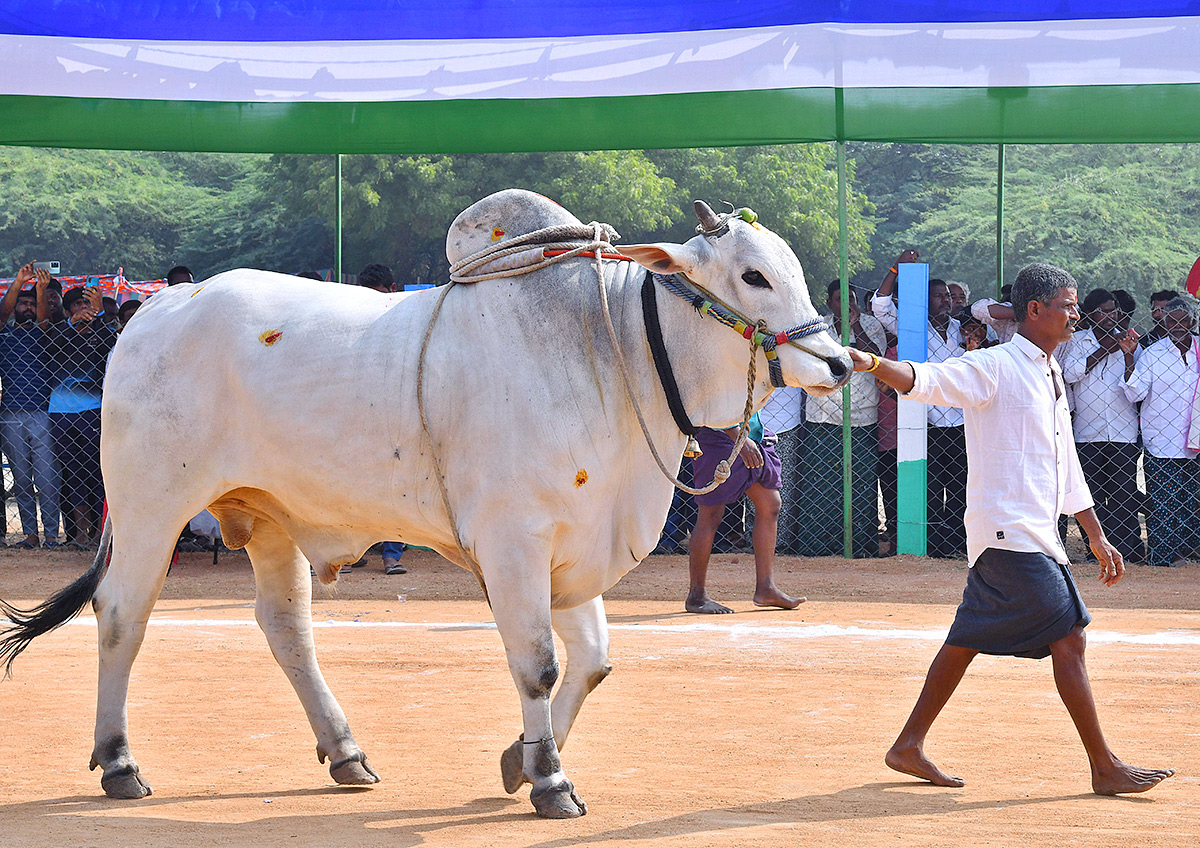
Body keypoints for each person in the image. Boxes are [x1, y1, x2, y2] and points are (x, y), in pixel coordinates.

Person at [851, 262, 1174, 795]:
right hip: (1007, 531)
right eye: (1068, 305)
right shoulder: (995, 365)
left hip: (1032, 535)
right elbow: (926, 379)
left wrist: (1095, 533)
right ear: (1035, 310)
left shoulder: (1049, 370)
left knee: (968, 638)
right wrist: (870, 363)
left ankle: (908, 745)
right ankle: (1104, 766)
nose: (1076, 314)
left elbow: (1066, 460)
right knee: (1068, 638)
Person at [873, 263, 967, 558]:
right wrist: (895, 268)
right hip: (927, 421)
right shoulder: (913, 327)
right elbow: (881, 306)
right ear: (924, 301)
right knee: (930, 485)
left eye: (949, 298)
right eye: (939, 297)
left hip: (960, 419)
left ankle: (955, 543)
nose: (946, 302)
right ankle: (932, 544)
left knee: (960, 486)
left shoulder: (961, 330)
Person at [685, 414, 803, 614]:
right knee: (711, 514)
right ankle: (696, 595)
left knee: (770, 503)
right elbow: (717, 400)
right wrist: (738, 436)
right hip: (721, 434)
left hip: (751, 434)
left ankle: (766, 588)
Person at [798, 281, 884, 557]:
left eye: (851, 300)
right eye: (839, 300)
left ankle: (859, 544)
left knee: (860, 484)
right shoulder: (819, 328)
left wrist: (855, 325)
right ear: (829, 303)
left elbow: (877, 359)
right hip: (824, 413)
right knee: (822, 483)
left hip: (862, 415)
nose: (846, 305)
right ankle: (818, 545)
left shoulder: (871, 325)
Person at [1061, 288, 1145, 562]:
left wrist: (1127, 353)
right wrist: (1106, 348)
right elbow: (1071, 373)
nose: (1110, 316)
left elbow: (1136, 389)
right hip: (1087, 431)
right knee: (1092, 493)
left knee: (1123, 494)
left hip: (1123, 430)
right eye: (1103, 311)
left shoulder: (1130, 342)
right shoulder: (1078, 341)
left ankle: (1125, 550)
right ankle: (1094, 550)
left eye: (1114, 311)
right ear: (1090, 314)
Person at [1123, 297, 1200, 567]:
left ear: (1193, 321)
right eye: (1171, 320)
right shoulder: (1153, 354)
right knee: (1164, 505)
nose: (1177, 325)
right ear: (1163, 323)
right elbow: (1136, 393)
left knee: (1191, 504)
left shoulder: (1199, 350)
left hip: (1196, 441)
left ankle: (1188, 553)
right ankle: (1162, 558)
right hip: (1162, 441)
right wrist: (1130, 357)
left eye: (1183, 319)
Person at [42, 281, 118, 549]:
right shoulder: (61, 334)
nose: (83, 309)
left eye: (88, 304)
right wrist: (72, 324)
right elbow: (46, 344)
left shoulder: (100, 334)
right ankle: (81, 534)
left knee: (98, 471)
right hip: (60, 411)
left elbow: (113, 344)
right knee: (72, 472)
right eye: (77, 305)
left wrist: (99, 317)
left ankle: (100, 534)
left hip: (94, 409)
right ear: (68, 310)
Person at [0, 264, 60, 548]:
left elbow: (46, 321)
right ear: (14, 308)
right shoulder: (4, 336)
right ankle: (30, 535)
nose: (26, 307)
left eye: (31, 303)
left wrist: (40, 290)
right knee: (22, 477)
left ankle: (50, 535)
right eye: (21, 303)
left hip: (41, 412)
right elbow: (1, 315)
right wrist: (18, 283)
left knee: (47, 477)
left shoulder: (43, 336)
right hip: (10, 412)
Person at [357, 262, 407, 572]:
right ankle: (349, 553)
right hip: (361, 414)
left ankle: (391, 554)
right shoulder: (354, 320)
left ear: (392, 291)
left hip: (395, 414)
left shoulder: (404, 319)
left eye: (379, 294)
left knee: (396, 484)